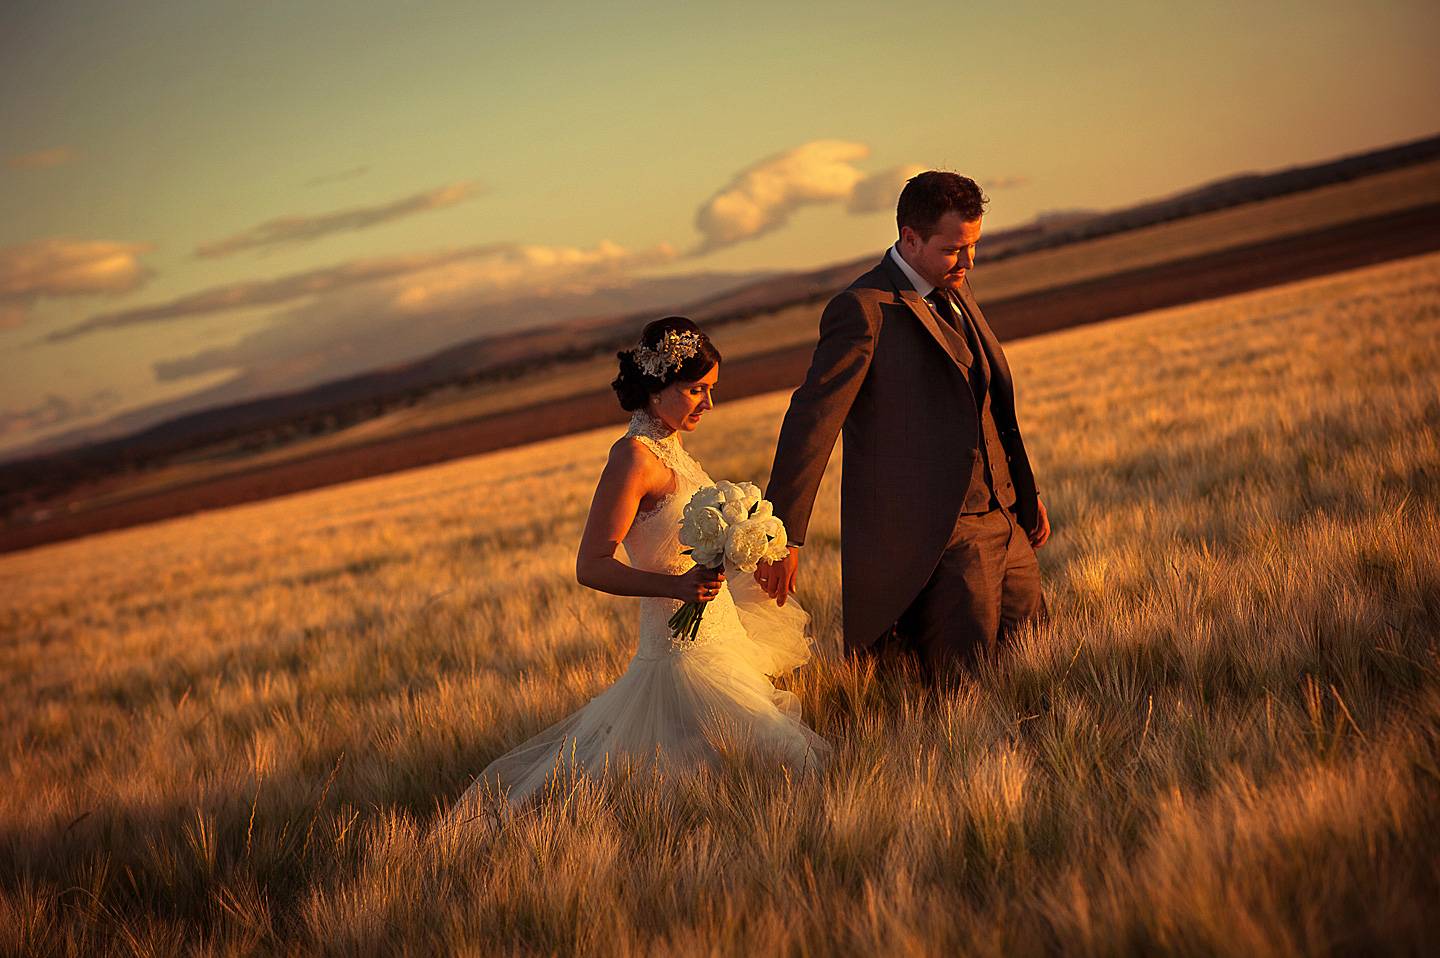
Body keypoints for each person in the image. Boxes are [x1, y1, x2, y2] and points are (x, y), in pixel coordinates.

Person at [453, 317, 828, 812]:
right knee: (750, 769)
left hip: (721, 635)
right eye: (696, 389)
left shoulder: (673, 449)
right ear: (656, 387)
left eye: (711, 389)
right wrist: (676, 589)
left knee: (756, 775)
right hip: (680, 653)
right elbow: (591, 565)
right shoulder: (633, 459)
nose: (708, 403)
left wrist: (750, 548)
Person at [756, 172, 1050, 683]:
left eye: (974, 246)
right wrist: (781, 534)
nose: (968, 261)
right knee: (966, 694)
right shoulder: (862, 308)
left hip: (1007, 523)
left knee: (1039, 671)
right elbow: (812, 420)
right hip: (944, 538)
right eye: (953, 249)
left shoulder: (953, 287)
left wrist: (1023, 491)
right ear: (909, 238)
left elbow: (989, 403)